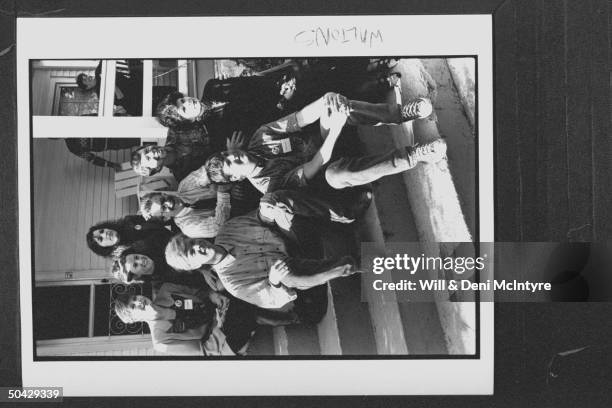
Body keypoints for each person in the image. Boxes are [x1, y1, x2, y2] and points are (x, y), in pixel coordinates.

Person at [204, 92, 444, 195]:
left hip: (321, 139)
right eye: (231, 165)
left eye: (228, 156)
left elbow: (301, 117)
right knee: (337, 175)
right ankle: (415, 155)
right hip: (325, 172)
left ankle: (401, 114)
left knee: (334, 106)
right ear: (236, 178)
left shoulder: (260, 137)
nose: (234, 158)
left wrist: (327, 101)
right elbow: (318, 162)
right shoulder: (267, 185)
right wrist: (337, 127)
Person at [164, 219, 358, 312]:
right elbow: (271, 300)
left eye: (191, 242)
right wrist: (273, 281)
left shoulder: (228, 229)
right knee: (286, 276)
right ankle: (343, 267)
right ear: (195, 266)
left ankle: (343, 212)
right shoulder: (233, 283)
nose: (197, 246)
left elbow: (261, 216)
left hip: (293, 237)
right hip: (294, 271)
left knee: (272, 202)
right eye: (191, 252)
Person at [113, 282, 261, 355]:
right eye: (133, 307)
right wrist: (219, 326)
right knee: (245, 319)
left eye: (135, 297)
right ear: (133, 320)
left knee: (240, 297)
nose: (139, 302)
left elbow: (200, 292)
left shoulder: (166, 289)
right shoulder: (160, 341)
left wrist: (213, 295)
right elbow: (205, 351)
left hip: (219, 311)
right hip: (219, 340)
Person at [139, 187, 231, 239]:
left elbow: (208, 172)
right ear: (165, 218)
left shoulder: (185, 186)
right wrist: (223, 193)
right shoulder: (188, 228)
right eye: (163, 207)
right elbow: (218, 226)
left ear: (164, 194)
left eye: (163, 199)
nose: (168, 203)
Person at [86, 215, 172, 258]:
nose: (105, 234)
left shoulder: (129, 221)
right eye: (101, 239)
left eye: (102, 231)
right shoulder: (128, 258)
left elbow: (157, 221)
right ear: (103, 248)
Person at [64, 138, 140, 171]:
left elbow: (96, 116)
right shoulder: (72, 147)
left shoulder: (76, 121)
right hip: (114, 144)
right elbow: (91, 158)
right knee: (137, 141)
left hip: (115, 127)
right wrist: (111, 165)